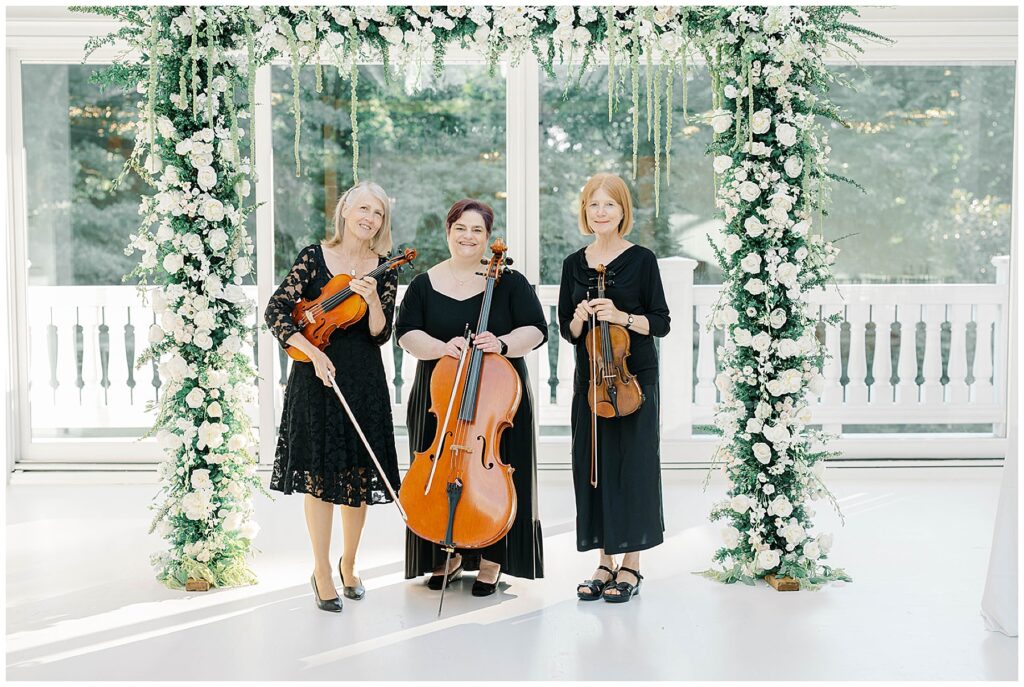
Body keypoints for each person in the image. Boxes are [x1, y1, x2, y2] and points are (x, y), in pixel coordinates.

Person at [396, 198, 547, 596]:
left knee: (496, 474)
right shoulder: (425, 283)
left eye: (477, 230)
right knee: (438, 472)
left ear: (487, 238)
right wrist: (440, 347)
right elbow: (406, 332)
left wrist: (501, 342)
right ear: (448, 232)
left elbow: (536, 329)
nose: (468, 236)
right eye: (460, 228)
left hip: (497, 400)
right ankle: (446, 552)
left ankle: (494, 557)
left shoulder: (509, 282)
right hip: (439, 394)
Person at [264, 181, 402, 612]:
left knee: (358, 479)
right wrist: (310, 353)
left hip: (362, 378)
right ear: (345, 211)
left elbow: (381, 334)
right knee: (321, 479)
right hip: (315, 376)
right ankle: (321, 570)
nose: (369, 218)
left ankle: (350, 564)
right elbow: (277, 312)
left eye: (377, 213)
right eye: (363, 208)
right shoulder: (313, 256)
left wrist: (372, 301)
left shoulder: (385, 267)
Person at [557, 172, 671, 603]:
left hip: (632, 379)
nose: (600, 212)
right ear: (584, 211)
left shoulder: (642, 260)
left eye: (609, 204)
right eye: (593, 205)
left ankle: (632, 565)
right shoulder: (574, 264)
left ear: (623, 211)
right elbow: (567, 331)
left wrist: (621, 316)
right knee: (595, 469)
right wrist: (582, 316)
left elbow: (660, 322)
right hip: (590, 382)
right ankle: (604, 561)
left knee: (634, 467)